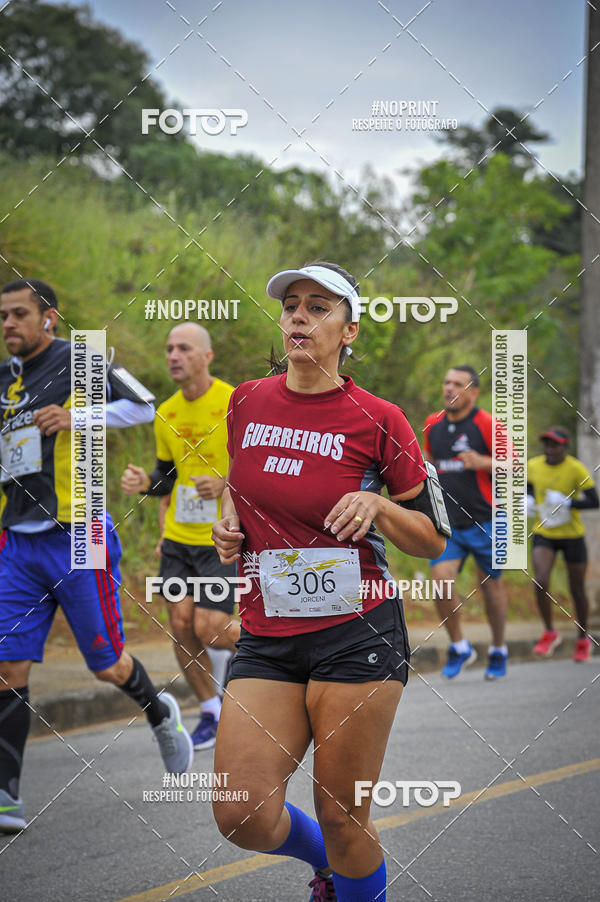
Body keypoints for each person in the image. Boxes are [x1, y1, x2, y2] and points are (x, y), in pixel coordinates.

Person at [211, 262, 446, 902]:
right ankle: (328, 868)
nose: (299, 317)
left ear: (350, 332)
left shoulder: (379, 418)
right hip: (269, 631)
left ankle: (350, 877)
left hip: (356, 631)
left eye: (319, 307)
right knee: (241, 814)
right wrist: (229, 523)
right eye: (292, 305)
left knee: (345, 816)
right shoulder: (247, 400)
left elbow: (432, 538)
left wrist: (380, 506)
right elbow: (244, 482)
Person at [0, 279, 193, 834]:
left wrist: (77, 418)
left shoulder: (80, 359)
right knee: (7, 666)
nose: (8, 324)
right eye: (2, 317)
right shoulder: (2, 378)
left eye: (19, 314)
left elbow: (143, 406)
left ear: (50, 318)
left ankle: (159, 710)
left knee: (106, 664)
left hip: (77, 533)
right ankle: (6, 795)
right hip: (18, 540)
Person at [121, 323, 240, 751]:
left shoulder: (232, 401)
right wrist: (144, 482)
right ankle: (211, 711)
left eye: (184, 348)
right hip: (177, 538)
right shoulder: (166, 412)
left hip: (220, 535)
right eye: (169, 348)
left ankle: (272, 651)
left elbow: (260, 462)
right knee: (180, 622)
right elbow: (167, 478)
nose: (173, 355)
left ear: (206, 356)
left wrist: (225, 480)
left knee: (211, 626)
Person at [423, 366, 510, 680]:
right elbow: (429, 462)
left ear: (473, 392)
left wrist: (484, 462)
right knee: (441, 581)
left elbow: (514, 464)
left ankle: (499, 649)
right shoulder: (432, 424)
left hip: (487, 520)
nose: (449, 388)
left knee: (491, 587)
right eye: (446, 382)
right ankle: (460, 646)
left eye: (457, 384)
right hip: (448, 523)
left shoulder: (487, 424)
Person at [527, 426, 599, 662]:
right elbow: (527, 491)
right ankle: (549, 632)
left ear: (565, 447)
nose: (550, 449)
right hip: (544, 532)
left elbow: (593, 501)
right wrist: (525, 502)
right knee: (540, 579)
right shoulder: (533, 466)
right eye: (547, 444)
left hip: (571, 535)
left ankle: (582, 638)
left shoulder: (576, 469)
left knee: (576, 588)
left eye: (555, 445)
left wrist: (569, 503)